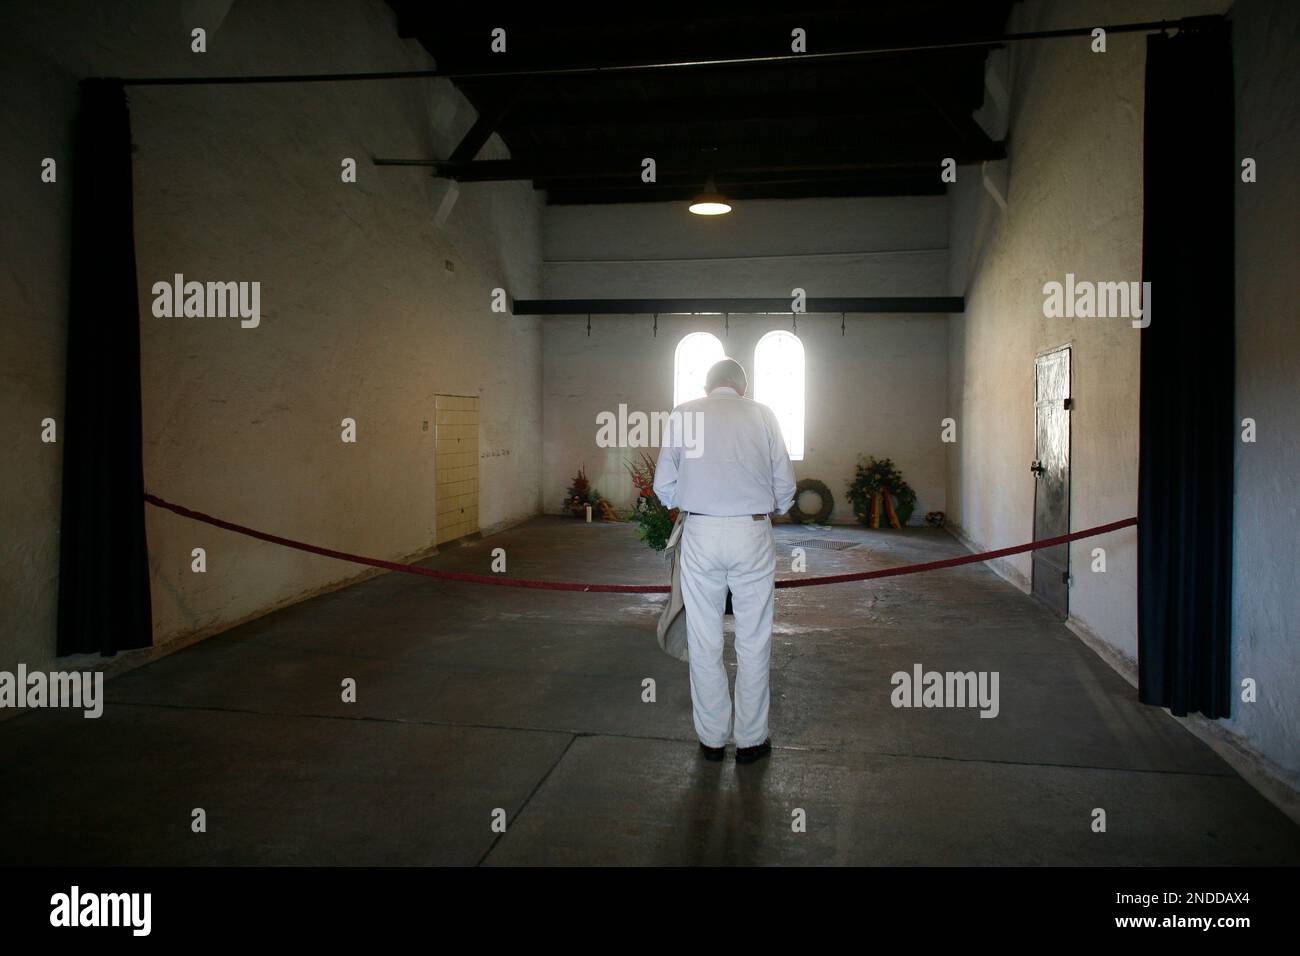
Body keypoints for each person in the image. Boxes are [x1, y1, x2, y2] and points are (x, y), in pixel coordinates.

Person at [653, 358, 796, 764]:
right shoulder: (764, 415)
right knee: (754, 638)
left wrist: (693, 501)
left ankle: (712, 740)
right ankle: (751, 741)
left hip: (701, 532)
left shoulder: (685, 415)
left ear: (707, 385)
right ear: (743, 388)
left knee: (705, 639)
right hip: (752, 531)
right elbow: (785, 484)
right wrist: (774, 507)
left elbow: (663, 484)